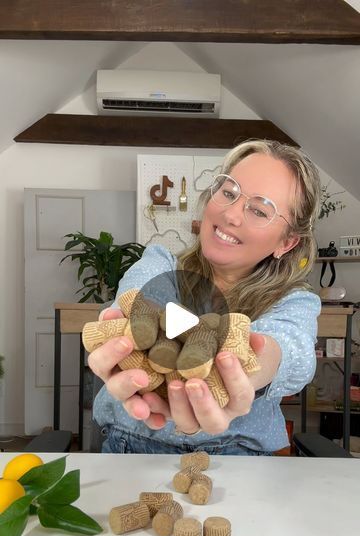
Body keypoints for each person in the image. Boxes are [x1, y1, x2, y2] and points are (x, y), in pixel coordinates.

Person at [89, 139, 321, 455]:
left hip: (241, 457)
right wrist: (130, 337)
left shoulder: (295, 301)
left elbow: (289, 349)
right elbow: (136, 298)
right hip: (129, 447)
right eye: (229, 193)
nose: (231, 215)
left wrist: (241, 373)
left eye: (258, 210)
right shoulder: (160, 262)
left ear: (287, 243)